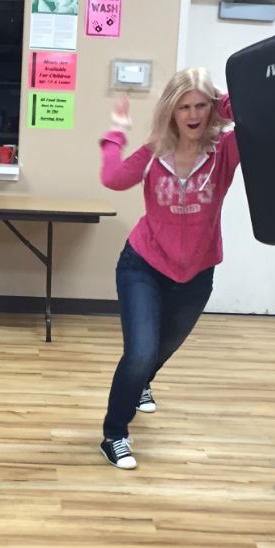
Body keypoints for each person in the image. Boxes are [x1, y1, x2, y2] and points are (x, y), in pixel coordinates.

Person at [98, 67, 239, 469]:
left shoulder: (225, 150)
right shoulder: (155, 151)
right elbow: (112, 178)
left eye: (200, 106)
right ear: (171, 111)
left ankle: (142, 383)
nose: (193, 114)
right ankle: (114, 434)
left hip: (196, 272)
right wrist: (115, 133)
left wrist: (220, 99)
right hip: (143, 264)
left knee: (162, 349)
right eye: (184, 107)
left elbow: (256, 113)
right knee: (140, 352)